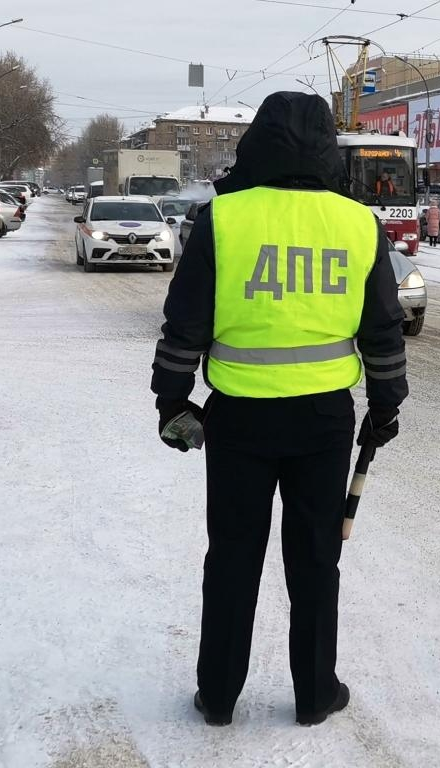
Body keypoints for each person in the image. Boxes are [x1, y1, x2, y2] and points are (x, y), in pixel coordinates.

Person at [151, 91, 408, 727]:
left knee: (232, 557)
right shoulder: (358, 224)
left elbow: (186, 322)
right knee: (317, 559)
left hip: (238, 418)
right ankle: (315, 694)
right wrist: (385, 405)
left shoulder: (223, 218)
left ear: (256, 143)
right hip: (323, 421)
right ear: (327, 148)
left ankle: (218, 695)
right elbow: (383, 330)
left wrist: (172, 399)